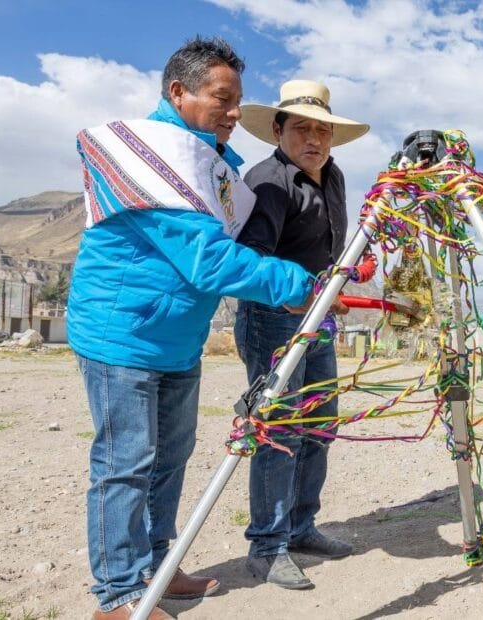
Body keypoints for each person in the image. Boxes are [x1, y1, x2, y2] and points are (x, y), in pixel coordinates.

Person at [69, 37, 315, 619]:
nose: (233, 114)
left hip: (176, 339)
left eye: (237, 101)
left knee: (169, 458)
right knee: (125, 462)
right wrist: (301, 283)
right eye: (221, 99)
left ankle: (157, 564)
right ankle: (118, 594)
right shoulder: (152, 158)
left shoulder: (209, 166)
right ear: (178, 92)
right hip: (121, 334)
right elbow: (209, 262)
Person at [234, 80, 369, 590]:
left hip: (319, 321)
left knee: (320, 425)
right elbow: (254, 258)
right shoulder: (267, 182)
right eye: (301, 128)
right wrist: (300, 291)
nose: (313, 139)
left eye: (321, 130)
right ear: (278, 130)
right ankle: (267, 548)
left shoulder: (334, 178)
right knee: (280, 431)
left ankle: (300, 526)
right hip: (274, 317)